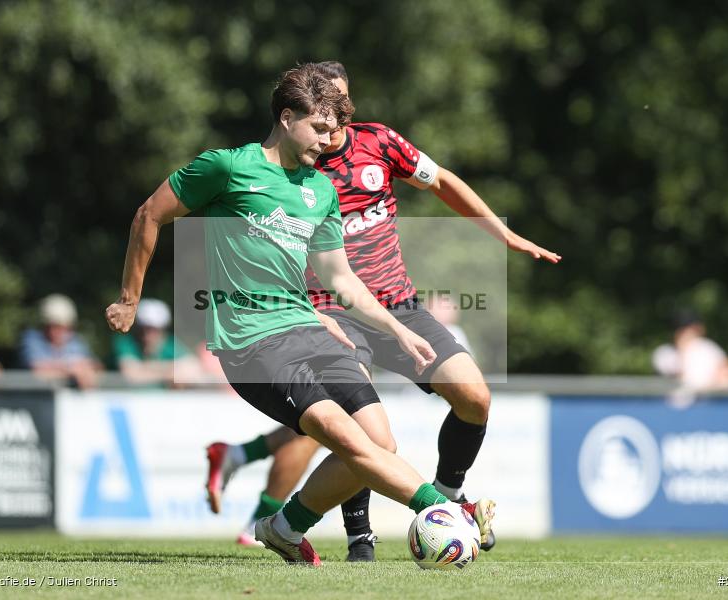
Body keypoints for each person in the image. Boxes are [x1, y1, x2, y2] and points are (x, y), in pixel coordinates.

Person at [104, 63, 495, 565]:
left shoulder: (320, 190)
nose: (329, 139)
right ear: (287, 118)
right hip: (250, 340)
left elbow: (341, 279)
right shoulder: (228, 167)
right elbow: (149, 214)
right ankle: (447, 512)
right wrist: (130, 298)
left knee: (380, 441)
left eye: (335, 130)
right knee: (345, 437)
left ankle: (284, 527)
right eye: (319, 127)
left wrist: (398, 327)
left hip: (306, 328)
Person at [204, 61, 560, 560]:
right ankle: (359, 542)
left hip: (398, 307)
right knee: (363, 430)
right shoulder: (292, 165)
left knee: (474, 397)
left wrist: (502, 233)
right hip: (329, 312)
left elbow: (441, 182)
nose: (336, 118)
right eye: (325, 108)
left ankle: (450, 498)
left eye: (342, 106)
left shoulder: (380, 143)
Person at [113, 298, 201, 387]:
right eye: (144, 327)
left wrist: (145, 369)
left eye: (153, 329)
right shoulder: (126, 342)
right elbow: (130, 374)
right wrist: (169, 373)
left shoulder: (170, 344)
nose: (147, 333)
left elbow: (193, 367)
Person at [21, 293, 101, 389]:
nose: (55, 332)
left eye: (61, 327)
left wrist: (85, 369)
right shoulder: (32, 339)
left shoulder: (75, 341)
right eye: (51, 326)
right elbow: (38, 369)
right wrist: (71, 370)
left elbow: (96, 366)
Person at [652, 310, 728, 393]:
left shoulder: (708, 348)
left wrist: (709, 388)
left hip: (707, 404)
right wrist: (683, 349)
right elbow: (680, 378)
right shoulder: (664, 353)